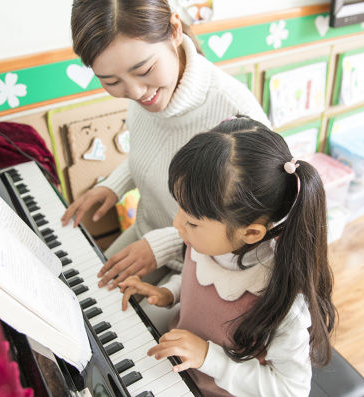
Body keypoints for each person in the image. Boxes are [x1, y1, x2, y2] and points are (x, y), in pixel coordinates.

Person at [118, 116, 336, 397]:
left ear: (251, 233)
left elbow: (290, 389)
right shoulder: (207, 244)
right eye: (180, 208)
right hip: (178, 370)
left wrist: (209, 357)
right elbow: (203, 283)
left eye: (193, 221)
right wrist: (170, 293)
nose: (176, 223)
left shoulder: (280, 298)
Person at [61, 0, 269, 289]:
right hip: (147, 234)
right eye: (110, 81)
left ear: (174, 30)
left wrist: (164, 245)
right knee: (83, 288)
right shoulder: (146, 94)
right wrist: (113, 184)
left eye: (144, 70)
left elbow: (253, 220)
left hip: (210, 261)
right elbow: (157, 151)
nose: (134, 92)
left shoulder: (234, 112)